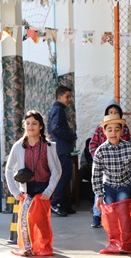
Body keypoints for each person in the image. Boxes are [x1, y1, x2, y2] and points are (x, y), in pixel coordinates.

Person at [5, 110, 62, 256]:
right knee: (26, 219)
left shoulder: (49, 146)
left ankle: (43, 247)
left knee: (41, 220)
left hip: (43, 188)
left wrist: (48, 191)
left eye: (34, 124)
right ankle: (27, 247)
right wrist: (15, 191)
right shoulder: (18, 146)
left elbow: (56, 171)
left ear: (41, 126)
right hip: (27, 189)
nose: (31, 127)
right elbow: (9, 169)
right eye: (28, 123)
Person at [92, 114, 131, 254]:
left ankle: (127, 243)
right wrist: (99, 194)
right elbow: (96, 175)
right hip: (109, 187)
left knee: (123, 212)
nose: (113, 133)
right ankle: (114, 243)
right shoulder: (100, 151)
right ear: (104, 132)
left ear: (121, 131)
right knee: (111, 215)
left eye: (117, 129)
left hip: (125, 185)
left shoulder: (129, 148)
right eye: (109, 130)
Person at [88, 100, 131, 228]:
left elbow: (127, 146)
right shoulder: (100, 127)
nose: (113, 114)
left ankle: (116, 219)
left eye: (116, 112)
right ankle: (97, 215)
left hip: (119, 167)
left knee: (117, 197)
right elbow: (92, 145)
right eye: (110, 112)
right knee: (100, 189)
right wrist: (99, 159)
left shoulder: (124, 128)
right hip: (104, 164)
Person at [47, 85, 77, 217]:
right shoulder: (58, 110)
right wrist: (70, 136)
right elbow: (56, 128)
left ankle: (64, 204)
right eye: (67, 97)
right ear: (59, 97)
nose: (69, 100)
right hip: (61, 149)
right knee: (64, 176)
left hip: (59, 148)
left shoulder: (56, 109)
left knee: (64, 176)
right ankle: (55, 202)